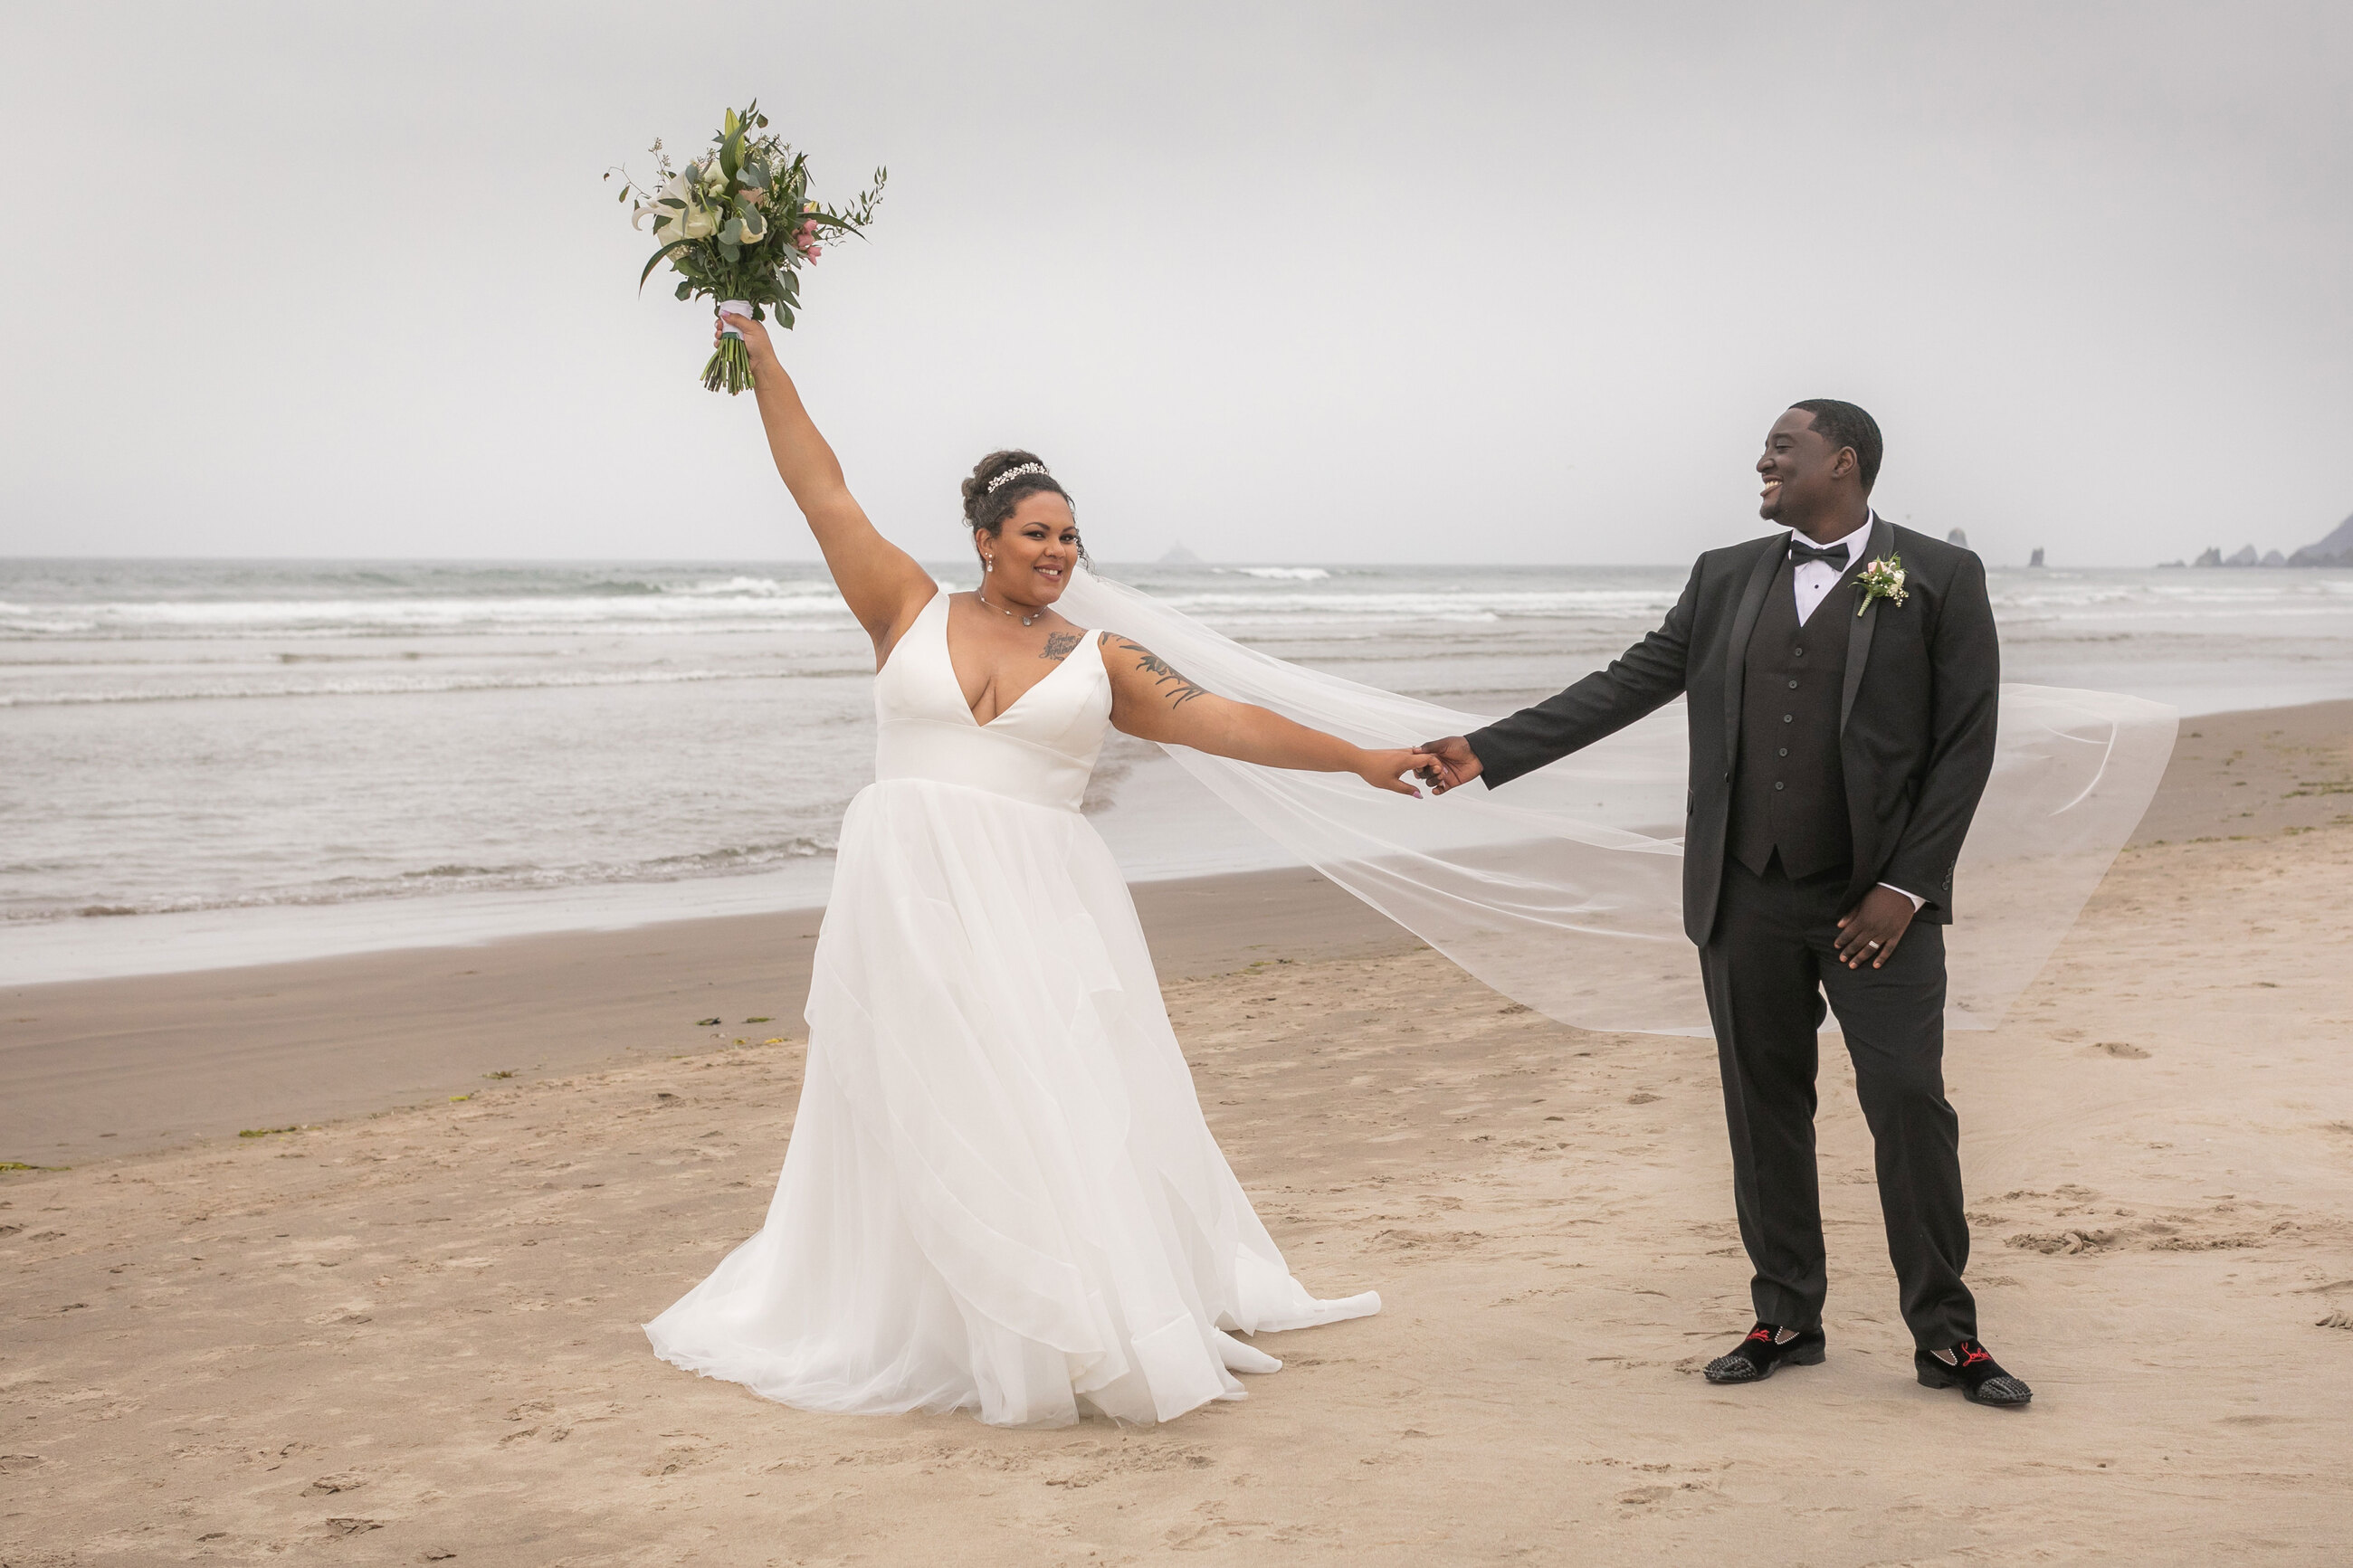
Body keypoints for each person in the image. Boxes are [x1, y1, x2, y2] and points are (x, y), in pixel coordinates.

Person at [644, 312, 1424, 1428]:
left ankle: (1065, 1316)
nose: (1058, 553)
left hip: (1035, 910)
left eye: (1070, 538)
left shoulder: (1099, 659)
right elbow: (820, 489)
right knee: (931, 1095)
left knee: (1039, 1095)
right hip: (907, 905)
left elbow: (1227, 721)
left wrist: (1358, 759)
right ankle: (935, 1318)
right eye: (1037, 534)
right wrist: (763, 358)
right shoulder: (904, 608)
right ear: (985, 538)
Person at [1415, 401, 2033, 1409]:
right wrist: (1487, 750)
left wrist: (1905, 886)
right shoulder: (1724, 575)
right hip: (1743, 892)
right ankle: (1785, 1314)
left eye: (1780, 448)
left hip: (1877, 902)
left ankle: (1947, 1336)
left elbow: (1965, 745)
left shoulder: (1939, 577)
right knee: (1762, 1108)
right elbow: (1626, 684)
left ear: (1841, 461)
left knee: (1908, 1103)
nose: (1761, 461)